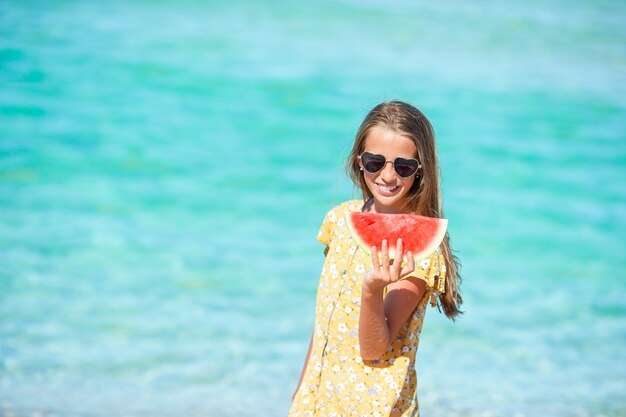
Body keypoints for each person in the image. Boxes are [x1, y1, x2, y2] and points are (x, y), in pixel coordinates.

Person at [288, 100, 462, 417]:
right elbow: (323, 327)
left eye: (403, 166)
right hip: (318, 407)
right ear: (359, 161)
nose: (388, 175)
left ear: (420, 170)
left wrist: (371, 290)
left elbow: (374, 349)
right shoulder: (339, 221)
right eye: (375, 162)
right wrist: (299, 398)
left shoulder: (422, 253)